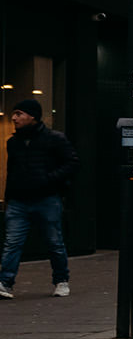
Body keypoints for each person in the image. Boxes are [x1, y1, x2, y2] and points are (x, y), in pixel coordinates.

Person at [1, 99, 78, 299]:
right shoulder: (13, 142)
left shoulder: (54, 139)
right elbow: (12, 171)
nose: (14, 118)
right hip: (19, 200)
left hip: (46, 198)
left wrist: (49, 180)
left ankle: (61, 281)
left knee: (54, 241)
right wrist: (9, 196)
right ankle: (5, 283)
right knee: (12, 242)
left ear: (32, 116)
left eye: (19, 113)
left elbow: (71, 163)